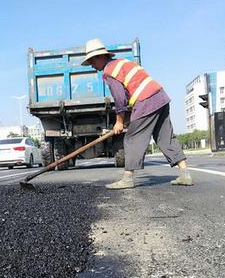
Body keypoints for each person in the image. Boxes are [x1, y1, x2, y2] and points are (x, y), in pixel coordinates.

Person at [81, 38, 193, 189]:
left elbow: (120, 99)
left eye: (92, 62)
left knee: (132, 138)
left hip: (146, 100)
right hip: (160, 97)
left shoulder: (109, 72)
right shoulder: (122, 63)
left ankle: (128, 178)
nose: (93, 67)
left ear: (100, 57)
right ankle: (185, 174)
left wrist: (119, 121)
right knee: (165, 137)